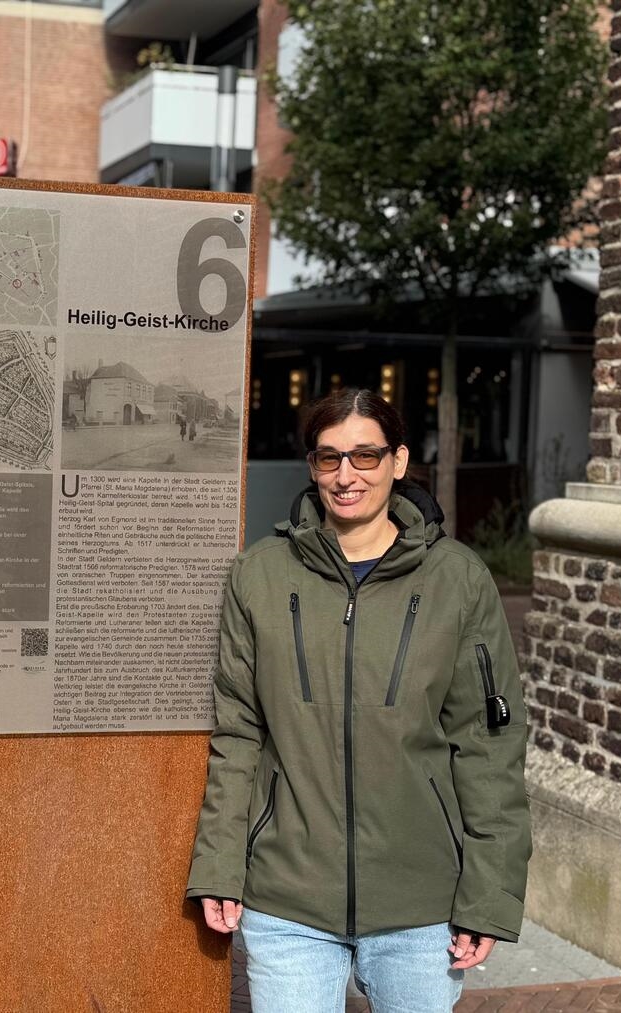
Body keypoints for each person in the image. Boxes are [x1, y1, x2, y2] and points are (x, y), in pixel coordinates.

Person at [187, 388, 530, 1013]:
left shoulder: (457, 579)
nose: (346, 476)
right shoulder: (259, 576)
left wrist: (491, 894)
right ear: (312, 467)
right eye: (328, 458)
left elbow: (487, 746)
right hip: (288, 899)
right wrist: (219, 866)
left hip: (421, 907)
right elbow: (238, 734)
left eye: (365, 456)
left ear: (399, 461)